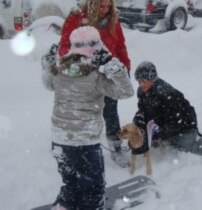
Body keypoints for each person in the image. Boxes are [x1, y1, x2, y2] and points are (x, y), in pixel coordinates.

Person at [41, 26, 134, 210]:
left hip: (59, 141)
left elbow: (47, 84)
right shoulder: (96, 76)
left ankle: (64, 206)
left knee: (71, 184)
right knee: (94, 189)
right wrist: (114, 66)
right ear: (96, 49)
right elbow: (126, 91)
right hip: (85, 144)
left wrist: (49, 64)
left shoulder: (58, 70)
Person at [58, 0, 131, 167]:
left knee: (111, 113)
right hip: (85, 76)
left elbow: (120, 45)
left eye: (108, 6)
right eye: (101, 6)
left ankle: (115, 148)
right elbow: (64, 48)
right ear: (92, 4)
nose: (105, 10)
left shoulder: (113, 19)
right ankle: (73, 147)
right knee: (83, 113)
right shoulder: (77, 18)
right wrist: (84, 61)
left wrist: (125, 67)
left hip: (108, 75)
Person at [132, 61, 202, 158]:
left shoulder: (166, 94)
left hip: (185, 125)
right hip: (166, 123)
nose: (141, 84)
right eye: (139, 81)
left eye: (144, 81)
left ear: (152, 78)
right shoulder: (142, 91)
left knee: (186, 146)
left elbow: (176, 122)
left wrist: (159, 134)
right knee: (160, 140)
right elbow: (143, 109)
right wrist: (139, 119)